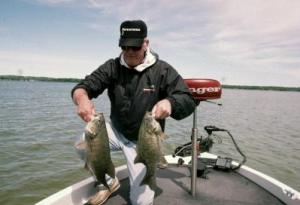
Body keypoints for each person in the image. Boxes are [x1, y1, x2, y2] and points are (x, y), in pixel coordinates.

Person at [71, 20, 196, 205]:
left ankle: (144, 178)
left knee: (141, 203)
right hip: (116, 131)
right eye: (125, 46)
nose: (129, 51)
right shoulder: (112, 67)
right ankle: (108, 182)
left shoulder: (163, 70)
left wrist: (170, 102)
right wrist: (82, 99)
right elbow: (83, 87)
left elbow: (188, 99)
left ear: (146, 43)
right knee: (80, 144)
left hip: (143, 141)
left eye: (135, 47)